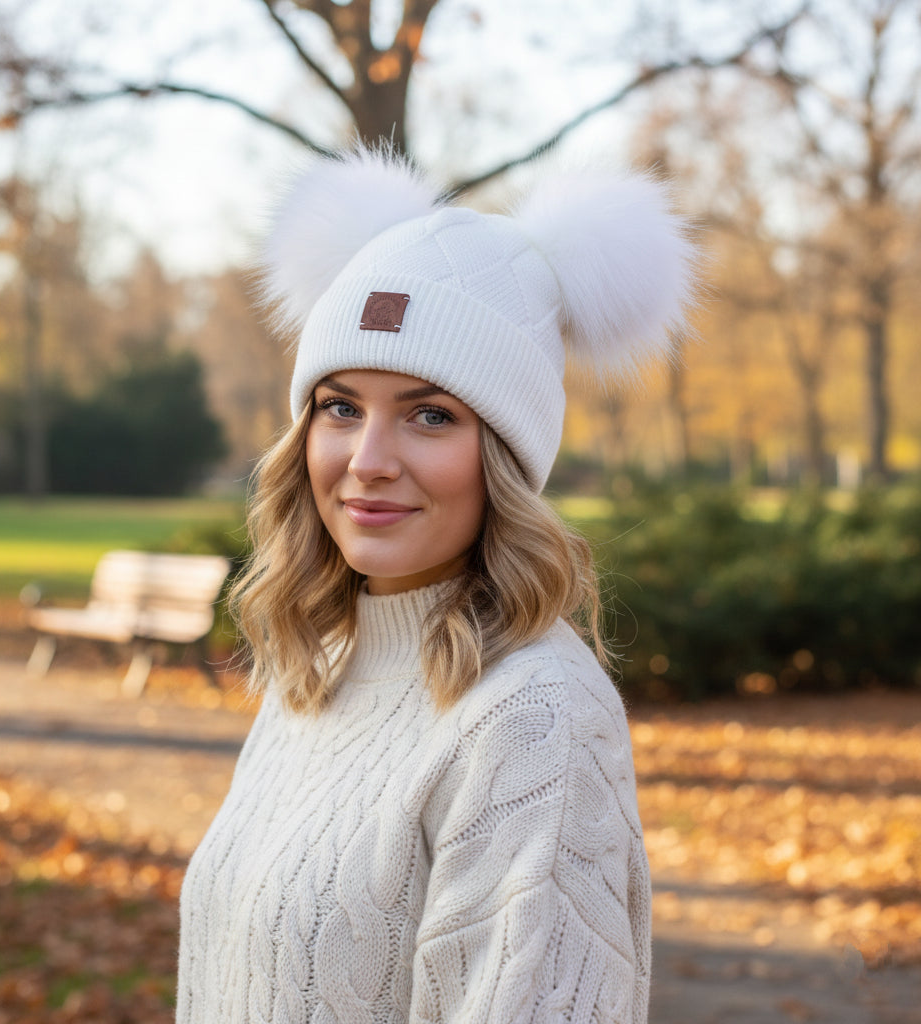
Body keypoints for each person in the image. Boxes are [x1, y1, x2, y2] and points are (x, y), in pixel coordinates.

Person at [176, 147, 696, 1024]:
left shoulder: (532, 720)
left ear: (504, 456)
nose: (368, 460)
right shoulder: (321, 664)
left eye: (430, 415)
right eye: (342, 407)